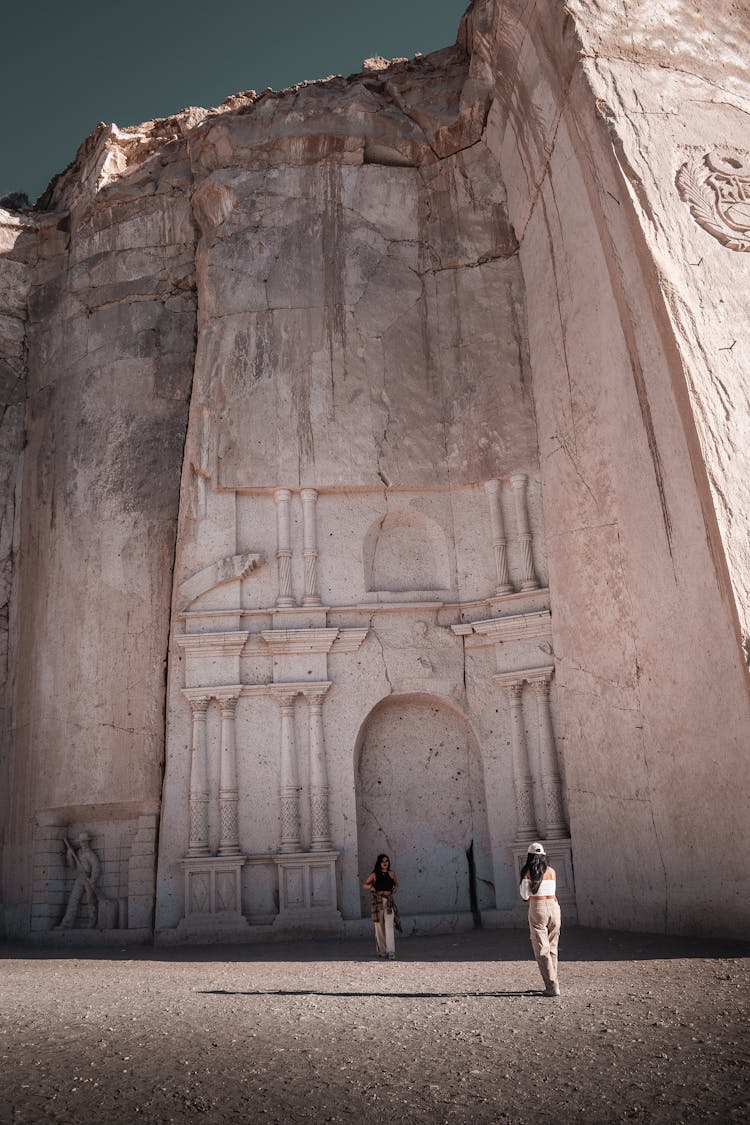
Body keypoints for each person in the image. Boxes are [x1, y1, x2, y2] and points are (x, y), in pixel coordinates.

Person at [519, 841, 561, 996]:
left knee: (541, 948)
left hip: (538, 907)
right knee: (552, 947)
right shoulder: (552, 871)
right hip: (554, 906)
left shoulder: (528, 872)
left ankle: (551, 986)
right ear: (543, 855)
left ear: (530, 856)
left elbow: (524, 895)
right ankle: (553, 982)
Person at [58, 831, 101, 929]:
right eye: (82, 842)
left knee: (91, 901)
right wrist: (69, 855)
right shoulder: (78, 852)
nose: (83, 843)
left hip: (88, 878)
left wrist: (92, 880)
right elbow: (72, 866)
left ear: (88, 842)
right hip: (80, 878)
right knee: (73, 900)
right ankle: (66, 924)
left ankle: (92, 923)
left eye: (85, 842)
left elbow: (96, 868)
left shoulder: (91, 854)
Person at [363, 853, 399, 959]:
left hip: (388, 902)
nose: (385, 863)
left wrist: (394, 889)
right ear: (379, 862)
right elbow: (365, 884)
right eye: (383, 861)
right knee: (379, 927)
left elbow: (396, 884)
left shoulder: (391, 873)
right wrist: (371, 887)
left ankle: (391, 952)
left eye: (387, 861)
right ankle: (382, 951)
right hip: (378, 902)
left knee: (389, 926)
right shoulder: (374, 874)